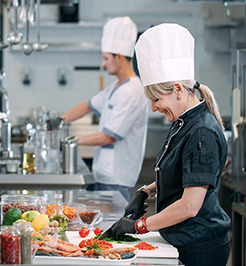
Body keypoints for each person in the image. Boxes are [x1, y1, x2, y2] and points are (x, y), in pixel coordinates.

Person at [110, 23, 231, 266]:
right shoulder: (183, 122)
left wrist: (138, 226)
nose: (154, 107)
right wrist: (146, 191)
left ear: (177, 89)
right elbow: (182, 173)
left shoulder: (202, 132)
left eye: (156, 99)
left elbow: (189, 206)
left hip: (200, 247)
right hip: (180, 239)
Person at [61, 17, 148, 201]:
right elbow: (87, 106)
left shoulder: (132, 91)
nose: (103, 64)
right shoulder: (116, 87)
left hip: (117, 176)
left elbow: (109, 136)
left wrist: (72, 141)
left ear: (119, 57)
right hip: (105, 173)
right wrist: (60, 120)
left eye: (106, 58)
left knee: (113, 226)